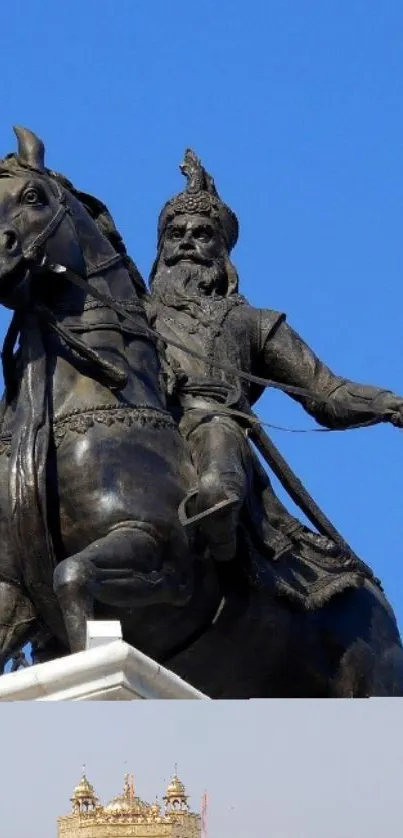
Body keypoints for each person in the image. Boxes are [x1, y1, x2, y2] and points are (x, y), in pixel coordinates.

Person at [147, 149, 403, 603]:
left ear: (222, 250)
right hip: (145, 425)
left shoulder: (254, 323)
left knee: (218, 461)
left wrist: (386, 403)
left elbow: (328, 393)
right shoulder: (133, 313)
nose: (186, 241)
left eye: (202, 234)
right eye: (175, 234)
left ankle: (227, 570)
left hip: (214, 423)